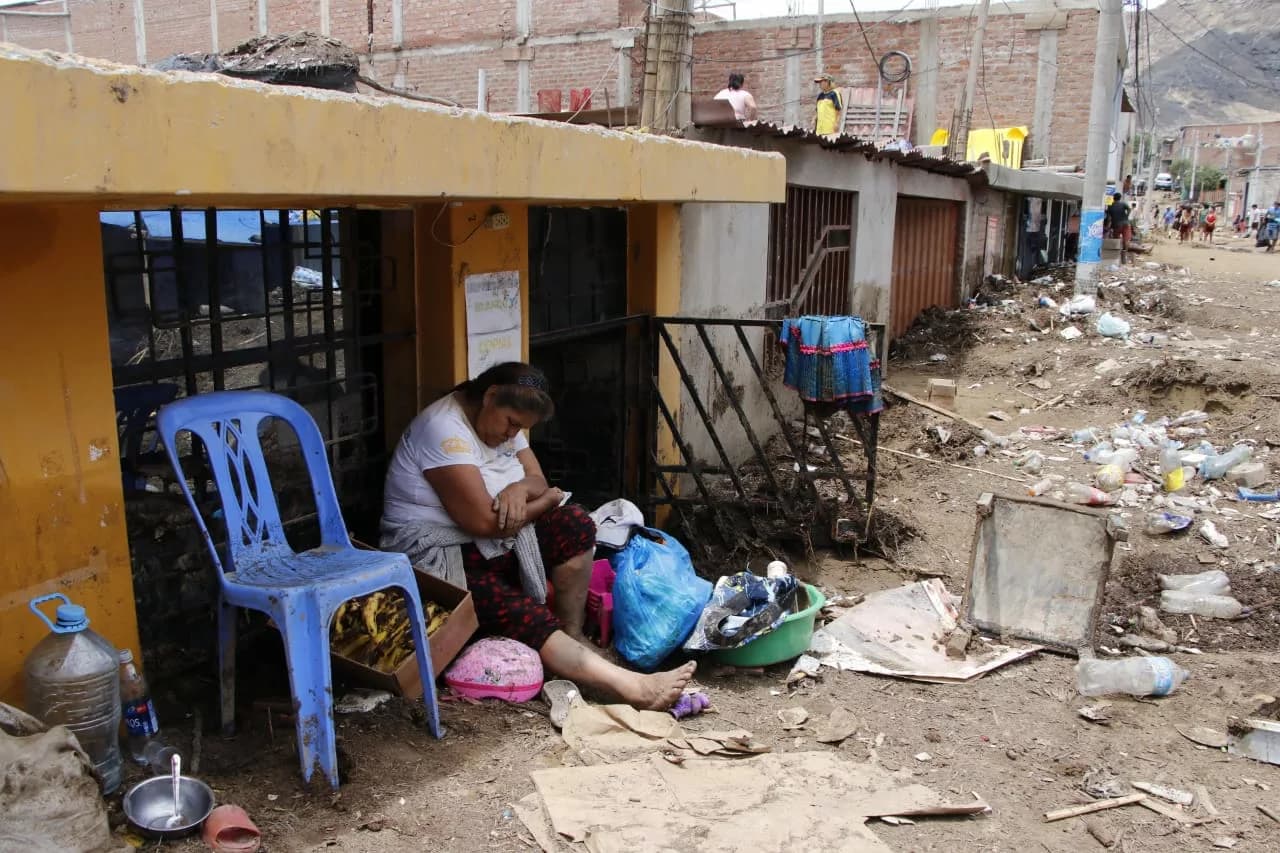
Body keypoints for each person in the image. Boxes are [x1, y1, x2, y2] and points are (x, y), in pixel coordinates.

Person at [380, 362, 696, 710]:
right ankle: (633, 687)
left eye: (521, 429)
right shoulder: (443, 429)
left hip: (491, 542)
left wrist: (518, 489)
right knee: (522, 612)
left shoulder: (506, 421)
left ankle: (572, 636)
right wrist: (543, 502)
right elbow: (485, 523)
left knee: (575, 525)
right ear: (490, 396)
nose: (512, 434)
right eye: (511, 424)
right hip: (439, 555)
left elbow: (537, 480)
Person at [1108, 193, 1131, 263]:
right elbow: (1129, 209)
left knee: (1116, 239)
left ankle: (1116, 255)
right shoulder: (1123, 204)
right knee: (1126, 240)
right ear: (1120, 198)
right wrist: (1127, 216)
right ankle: (1124, 256)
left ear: (1113, 198)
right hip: (1126, 224)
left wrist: (1108, 226)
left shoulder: (1110, 206)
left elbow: (1109, 218)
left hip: (1116, 225)